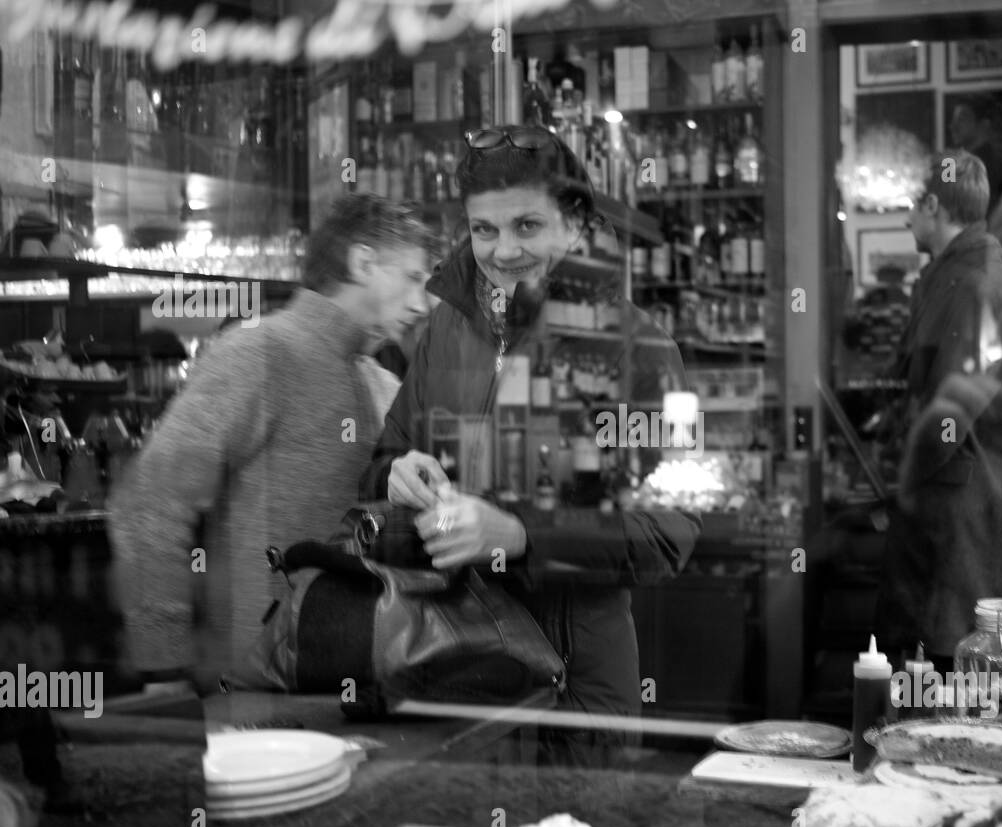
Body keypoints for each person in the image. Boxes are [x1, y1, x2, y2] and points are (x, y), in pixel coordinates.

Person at [359, 126, 700, 767]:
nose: (502, 251)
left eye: (526, 227)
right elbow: (379, 463)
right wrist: (397, 474)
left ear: (574, 225)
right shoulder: (442, 331)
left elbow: (669, 532)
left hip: (571, 697)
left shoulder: (640, 348)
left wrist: (521, 536)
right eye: (484, 230)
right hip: (450, 679)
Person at [109, 194, 432, 690]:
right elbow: (149, 505)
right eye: (412, 277)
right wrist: (164, 667)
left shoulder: (383, 384)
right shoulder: (260, 352)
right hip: (258, 700)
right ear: (362, 262)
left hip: (362, 687)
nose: (421, 301)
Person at [872, 149, 1002, 674]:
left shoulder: (977, 284)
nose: (905, 219)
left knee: (949, 708)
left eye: (912, 208)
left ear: (935, 207)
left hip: (960, 532)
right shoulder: (956, 278)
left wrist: (899, 482)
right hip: (950, 523)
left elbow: (948, 417)